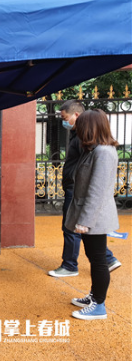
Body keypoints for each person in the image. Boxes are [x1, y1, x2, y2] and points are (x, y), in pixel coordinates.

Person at [48, 100, 120, 277]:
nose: (64, 122)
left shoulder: (97, 148)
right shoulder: (83, 140)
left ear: (78, 117)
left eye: (65, 118)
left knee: (74, 230)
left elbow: (96, 188)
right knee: (91, 245)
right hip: (76, 189)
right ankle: (108, 259)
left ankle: (70, 265)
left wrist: (84, 220)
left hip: (78, 190)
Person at [65, 109, 120, 320]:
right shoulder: (93, 149)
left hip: (95, 217)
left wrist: (85, 221)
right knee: (94, 257)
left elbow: (97, 191)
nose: (77, 130)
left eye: (80, 126)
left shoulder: (103, 152)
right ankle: (94, 296)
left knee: (98, 260)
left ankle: (99, 305)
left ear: (90, 127)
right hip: (90, 215)